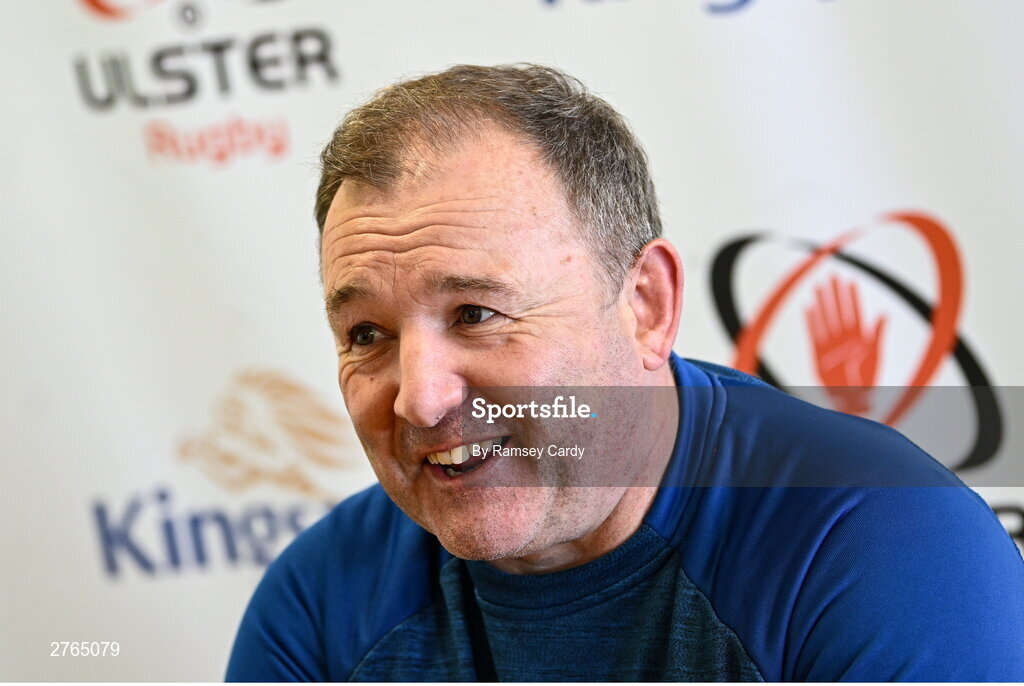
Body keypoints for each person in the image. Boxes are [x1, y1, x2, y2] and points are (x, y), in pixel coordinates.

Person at [226, 64, 1024, 681]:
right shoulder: (320, 605)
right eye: (367, 333)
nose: (421, 395)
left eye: (476, 314)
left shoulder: (879, 540)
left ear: (644, 304)